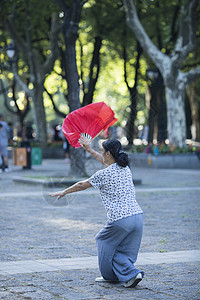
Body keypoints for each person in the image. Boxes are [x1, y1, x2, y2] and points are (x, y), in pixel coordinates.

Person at [49, 137, 144, 288]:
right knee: (121, 250)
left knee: (103, 241)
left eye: (102, 151)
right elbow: (106, 162)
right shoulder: (125, 169)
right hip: (137, 217)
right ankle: (130, 275)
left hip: (120, 219)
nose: (101, 154)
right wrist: (89, 149)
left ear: (108, 154)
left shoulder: (103, 174)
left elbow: (81, 185)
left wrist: (64, 191)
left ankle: (120, 275)